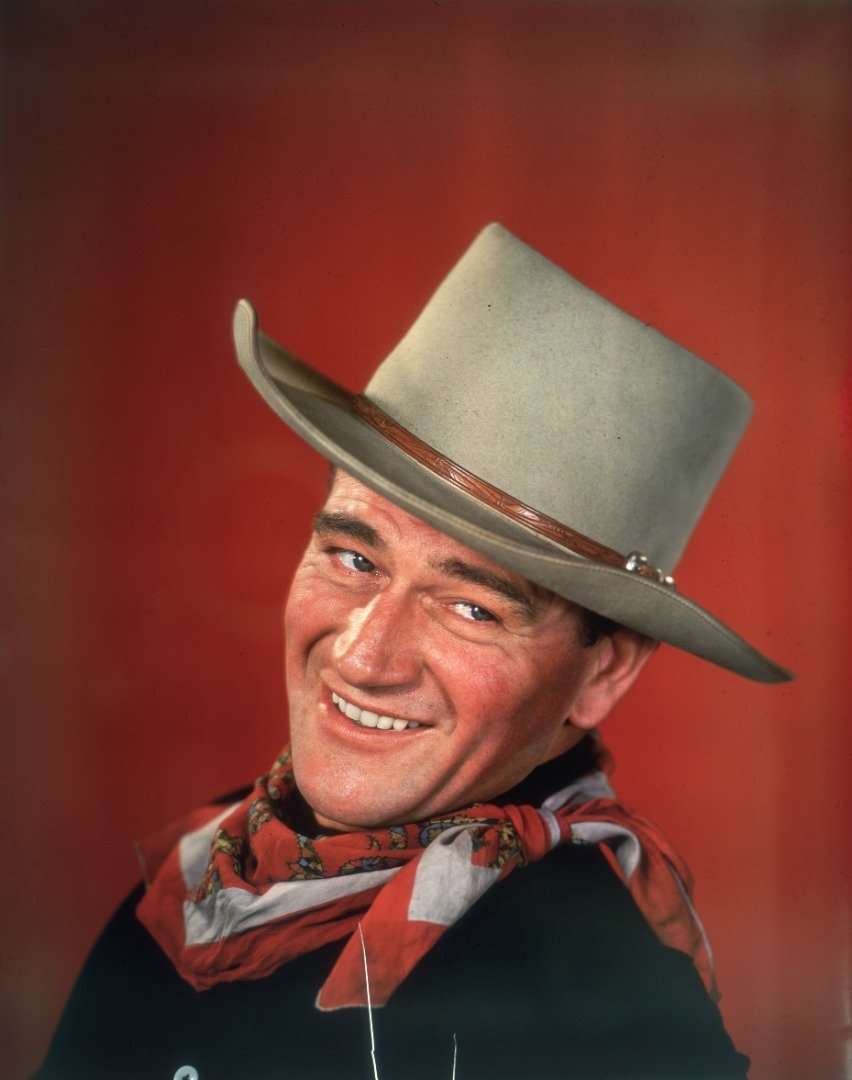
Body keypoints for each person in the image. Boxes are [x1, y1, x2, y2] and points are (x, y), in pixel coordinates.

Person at [39, 224, 791, 1079]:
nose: (363, 657)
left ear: (604, 671)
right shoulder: (201, 881)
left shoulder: (595, 995)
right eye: (354, 558)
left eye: (471, 607)